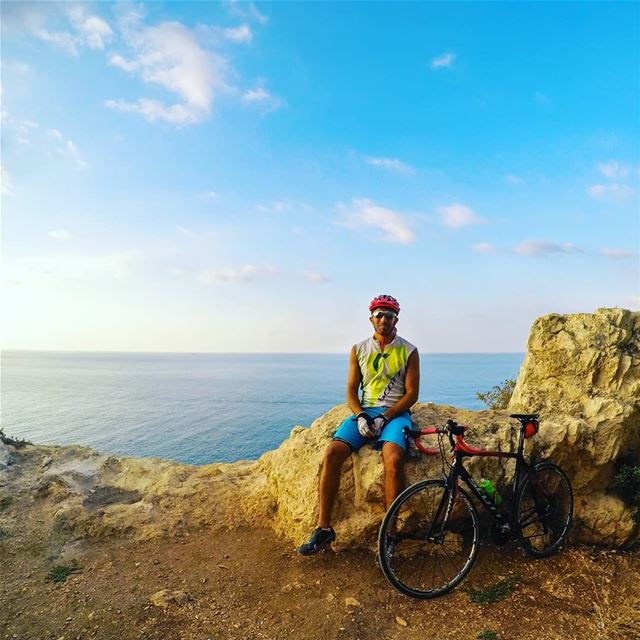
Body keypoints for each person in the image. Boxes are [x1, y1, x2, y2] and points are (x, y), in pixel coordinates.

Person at [298, 294, 420, 555]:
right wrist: (362, 415)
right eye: (379, 315)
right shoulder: (359, 349)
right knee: (332, 453)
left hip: (394, 414)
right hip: (365, 412)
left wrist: (384, 417)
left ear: (396, 319)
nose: (384, 320)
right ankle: (324, 529)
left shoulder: (409, 350)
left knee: (394, 459)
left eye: (389, 316)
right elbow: (352, 391)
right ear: (371, 319)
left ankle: (390, 534)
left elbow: (412, 394)